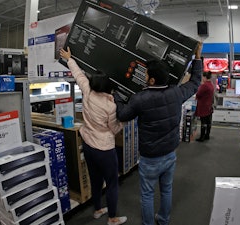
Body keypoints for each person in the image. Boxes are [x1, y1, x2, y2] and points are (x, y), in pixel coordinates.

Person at [113, 42, 203, 225]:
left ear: (152, 80)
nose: (144, 75)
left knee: (147, 194)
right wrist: (198, 57)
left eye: (146, 73)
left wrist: (117, 95)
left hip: (150, 157)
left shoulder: (140, 99)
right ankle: (163, 220)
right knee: (167, 190)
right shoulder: (176, 93)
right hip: (170, 152)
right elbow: (195, 82)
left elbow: (122, 115)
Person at [60, 47, 127, 225]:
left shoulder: (87, 91)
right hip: (105, 149)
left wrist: (69, 58)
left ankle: (97, 210)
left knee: (95, 180)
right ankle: (112, 218)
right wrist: (124, 122)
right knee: (112, 183)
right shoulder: (110, 106)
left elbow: (78, 75)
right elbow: (114, 129)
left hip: (88, 145)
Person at [195, 71, 215, 142]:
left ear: (204, 77)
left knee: (203, 122)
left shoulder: (204, 85)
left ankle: (202, 137)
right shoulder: (211, 85)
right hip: (209, 106)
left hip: (203, 106)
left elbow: (198, 94)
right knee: (208, 122)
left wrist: (196, 97)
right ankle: (207, 135)